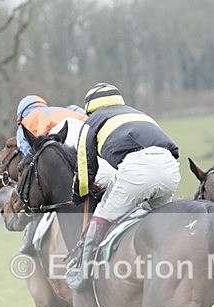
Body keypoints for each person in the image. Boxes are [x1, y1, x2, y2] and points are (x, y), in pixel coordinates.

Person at [66, 82, 181, 293]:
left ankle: (83, 273)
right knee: (157, 221)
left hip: (136, 169)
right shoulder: (139, 114)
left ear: (90, 108)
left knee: (102, 214)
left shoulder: (91, 122)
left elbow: (84, 168)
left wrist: (78, 194)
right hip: (170, 167)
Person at [15, 95, 87, 255]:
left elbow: (31, 162)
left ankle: (29, 241)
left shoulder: (26, 124)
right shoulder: (63, 111)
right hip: (89, 135)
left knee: (39, 190)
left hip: (62, 149)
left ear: (20, 116)